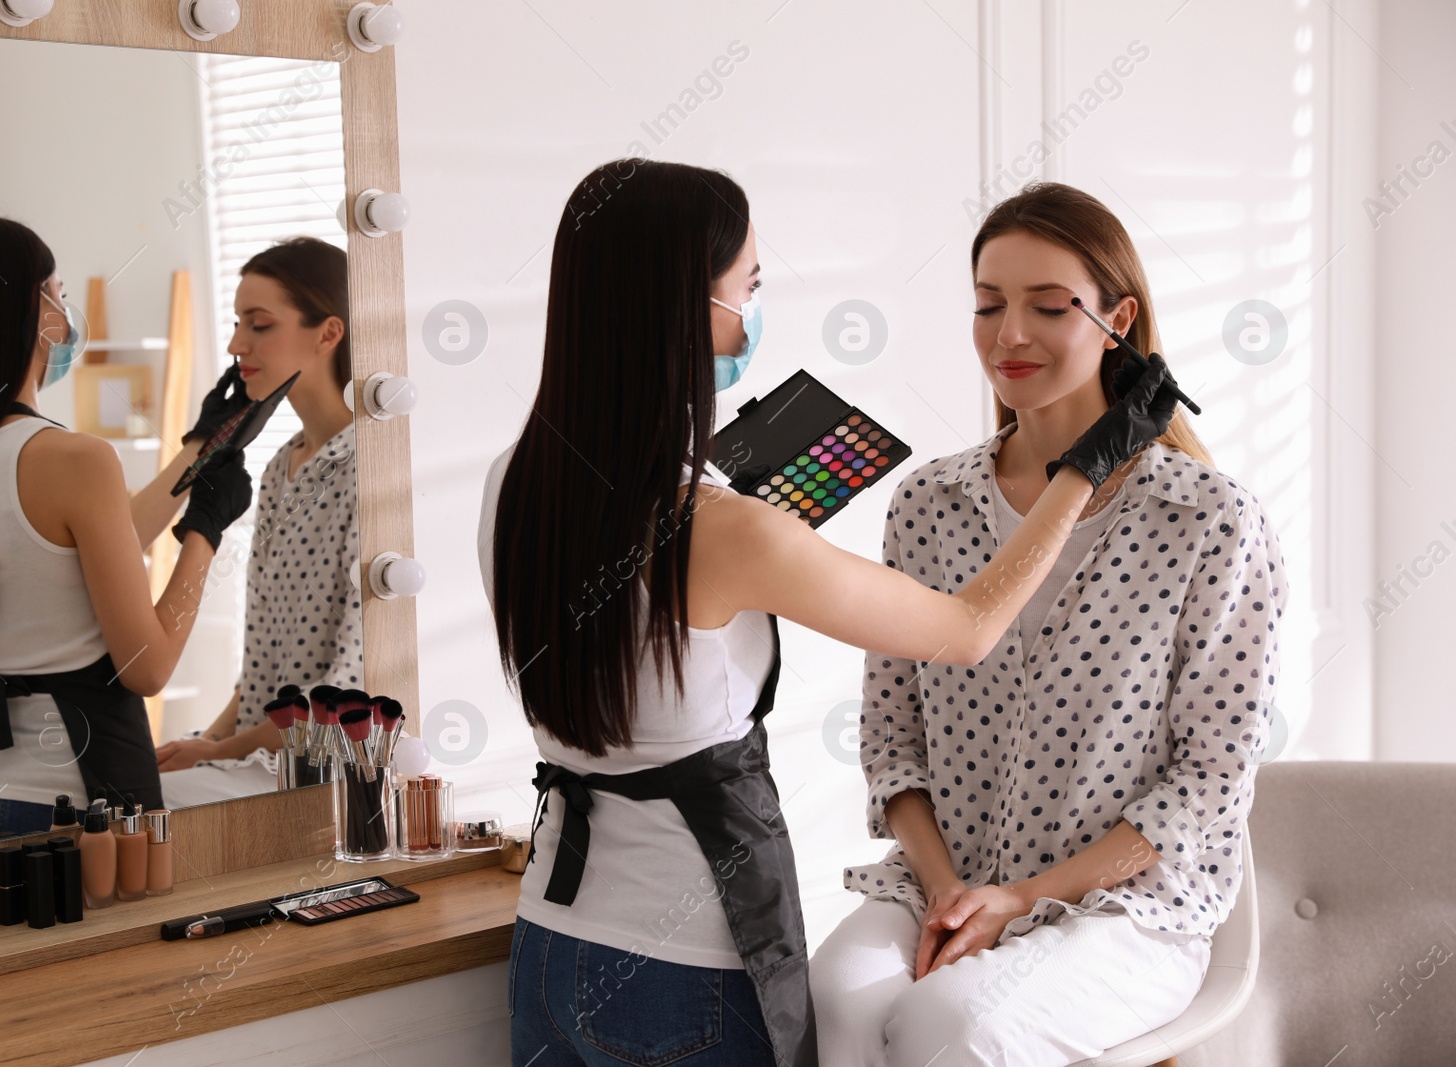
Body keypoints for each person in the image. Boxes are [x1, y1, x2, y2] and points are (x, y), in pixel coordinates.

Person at [477, 161, 1180, 1067]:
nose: (753, 312)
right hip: (683, 965)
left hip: (551, 940)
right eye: (749, 288)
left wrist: (748, 520)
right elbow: (968, 628)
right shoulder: (727, 530)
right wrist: (1086, 465)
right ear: (683, 308)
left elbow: (643, 598)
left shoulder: (517, 480)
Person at [808, 182, 1291, 1067]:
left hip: (1126, 906)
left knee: (950, 1025)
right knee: (836, 995)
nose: (1009, 334)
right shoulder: (928, 504)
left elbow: (1212, 779)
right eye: (988, 304)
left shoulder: (1208, 521)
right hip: (942, 881)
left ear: (1120, 318)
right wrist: (954, 890)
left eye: (1048, 305)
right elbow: (891, 740)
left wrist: (1024, 897)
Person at [0, 215, 253, 848]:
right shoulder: (74, 460)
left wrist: (200, 450)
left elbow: (89, 546)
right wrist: (205, 530)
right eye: (59, 293)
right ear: (33, 313)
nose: (67, 312)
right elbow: (147, 669)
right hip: (61, 807)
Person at [155, 237, 362, 796]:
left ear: (328, 332)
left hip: (326, 769)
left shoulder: (369, 469)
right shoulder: (277, 470)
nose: (235, 344)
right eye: (237, 323)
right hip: (259, 753)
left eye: (259, 324)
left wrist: (217, 751)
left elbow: (344, 687)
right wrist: (199, 745)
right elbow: (262, 669)